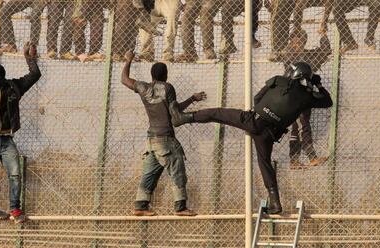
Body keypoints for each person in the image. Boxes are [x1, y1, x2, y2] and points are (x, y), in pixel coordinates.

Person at [169, 62, 333, 213]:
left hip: (253, 121)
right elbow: (327, 101)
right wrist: (317, 84)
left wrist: (265, 109)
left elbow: (257, 99)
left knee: (217, 113)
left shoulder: (278, 81)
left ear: (294, 73)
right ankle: (275, 203)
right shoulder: (307, 97)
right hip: (269, 134)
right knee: (265, 163)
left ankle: (184, 118)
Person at [121, 52, 206, 216]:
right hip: (166, 139)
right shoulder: (168, 88)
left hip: (151, 141)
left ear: (152, 75)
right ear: (165, 75)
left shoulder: (143, 88)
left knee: (148, 174)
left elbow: (124, 79)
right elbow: (176, 116)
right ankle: (180, 207)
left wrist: (128, 60)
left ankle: (140, 206)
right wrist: (195, 116)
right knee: (177, 171)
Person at [0, 42, 41, 223]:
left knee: (15, 174)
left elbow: (35, 75)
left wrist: (29, 58)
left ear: (2, 79)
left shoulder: (14, 87)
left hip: (6, 138)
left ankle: (15, 209)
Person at [279, 29, 332, 169]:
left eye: (300, 41)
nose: (296, 44)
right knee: (303, 125)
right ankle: (311, 156)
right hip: (295, 96)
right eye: (294, 41)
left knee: (297, 127)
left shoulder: (308, 56)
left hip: (304, 95)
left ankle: (294, 161)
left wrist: (323, 36)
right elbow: (286, 57)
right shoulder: (288, 57)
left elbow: (325, 51)